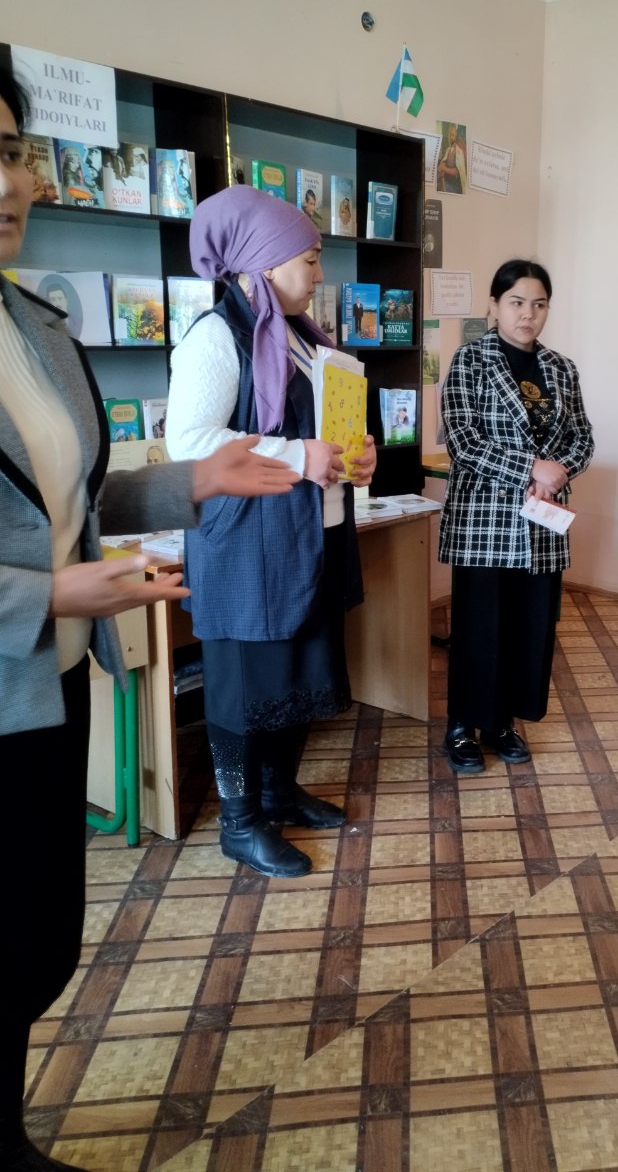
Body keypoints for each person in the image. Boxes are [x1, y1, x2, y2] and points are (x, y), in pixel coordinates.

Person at [0, 65, 301, 1172]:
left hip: (49, 678)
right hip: (24, 649)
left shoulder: (33, 325)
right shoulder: (212, 333)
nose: (8, 183)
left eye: (11, 152)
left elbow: (72, 499)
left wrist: (194, 482)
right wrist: (48, 594)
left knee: (32, 937)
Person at [165, 184, 377, 880]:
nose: (319, 274)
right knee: (243, 684)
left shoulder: (302, 335)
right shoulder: (216, 336)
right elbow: (189, 443)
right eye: (309, 260)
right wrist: (297, 455)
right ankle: (239, 823)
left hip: (305, 536)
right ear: (263, 261)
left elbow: (324, 431)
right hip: (245, 546)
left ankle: (279, 793)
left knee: (297, 671)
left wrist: (356, 455)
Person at [438, 259, 594, 775]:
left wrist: (558, 471)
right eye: (517, 302)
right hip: (484, 522)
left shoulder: (561, 368)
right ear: (495, 306)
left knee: (528, 627)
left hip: (542, 521)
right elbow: (463, 441)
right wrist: (531, 466)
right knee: (480, 627)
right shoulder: (470, 360)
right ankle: (463, 725)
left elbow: (583, 438)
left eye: (539, 304)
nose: (528, 314)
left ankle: (502, 722)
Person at [436, 121, 467, 194]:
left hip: (454, 185)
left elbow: (456, 171)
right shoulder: (448, 149)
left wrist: (443, 168)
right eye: (450, 135)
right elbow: (443, 163)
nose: (451, 137)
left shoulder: (459, 152)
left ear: (456, 136)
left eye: (452, 135)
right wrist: (442, 167)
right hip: (446, 181)